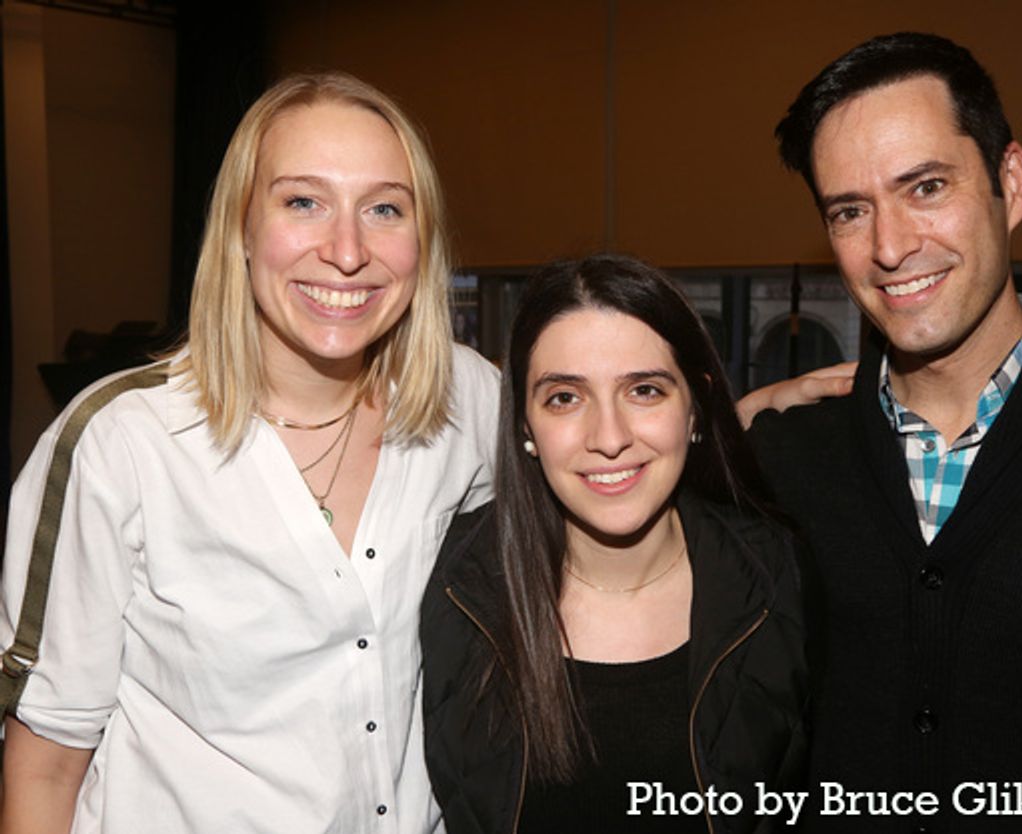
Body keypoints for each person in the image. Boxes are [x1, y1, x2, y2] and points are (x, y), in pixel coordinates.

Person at [0, 72, 498, 833]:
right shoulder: (122, 444)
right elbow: (46, 761)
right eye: (303, 202)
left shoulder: (468, 401)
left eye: (385, 209)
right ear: (238, 226)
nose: (347, 250)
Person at [746, 32, 1022, 832]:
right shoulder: (783, 460)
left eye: (925, 187)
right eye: (850, 211)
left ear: (1010, 183)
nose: (889, 248)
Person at [420, 254, 808, 834]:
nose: (609, 439)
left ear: (694, 406)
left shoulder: (773, 577)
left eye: (645, 390)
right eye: (564, 398)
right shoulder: (461, 585)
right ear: (525, 425)